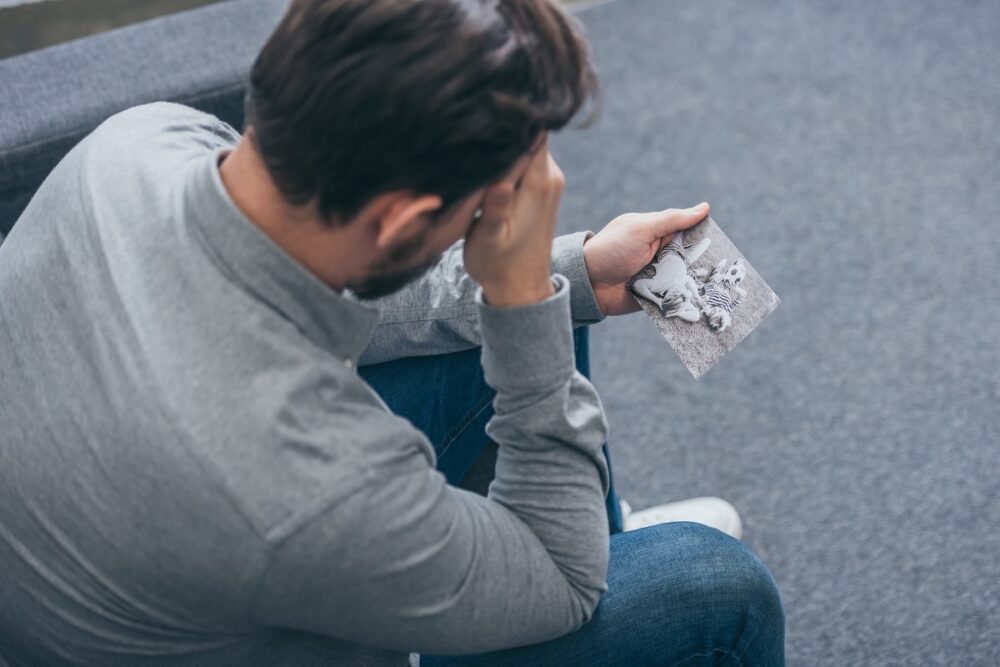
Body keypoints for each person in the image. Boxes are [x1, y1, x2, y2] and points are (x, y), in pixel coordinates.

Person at [0, 0, 783, 664]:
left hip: (147, 533)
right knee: (717, 587)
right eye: (487, 205)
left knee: (540, 300)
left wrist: (562, 273)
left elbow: (329, 285)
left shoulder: (140, 143)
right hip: (256, 559)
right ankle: (584, 531)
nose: (504, 214)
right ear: (403, 219)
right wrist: (514, 292)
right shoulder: (309, 484)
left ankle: (590, 518)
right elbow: (568, 585)